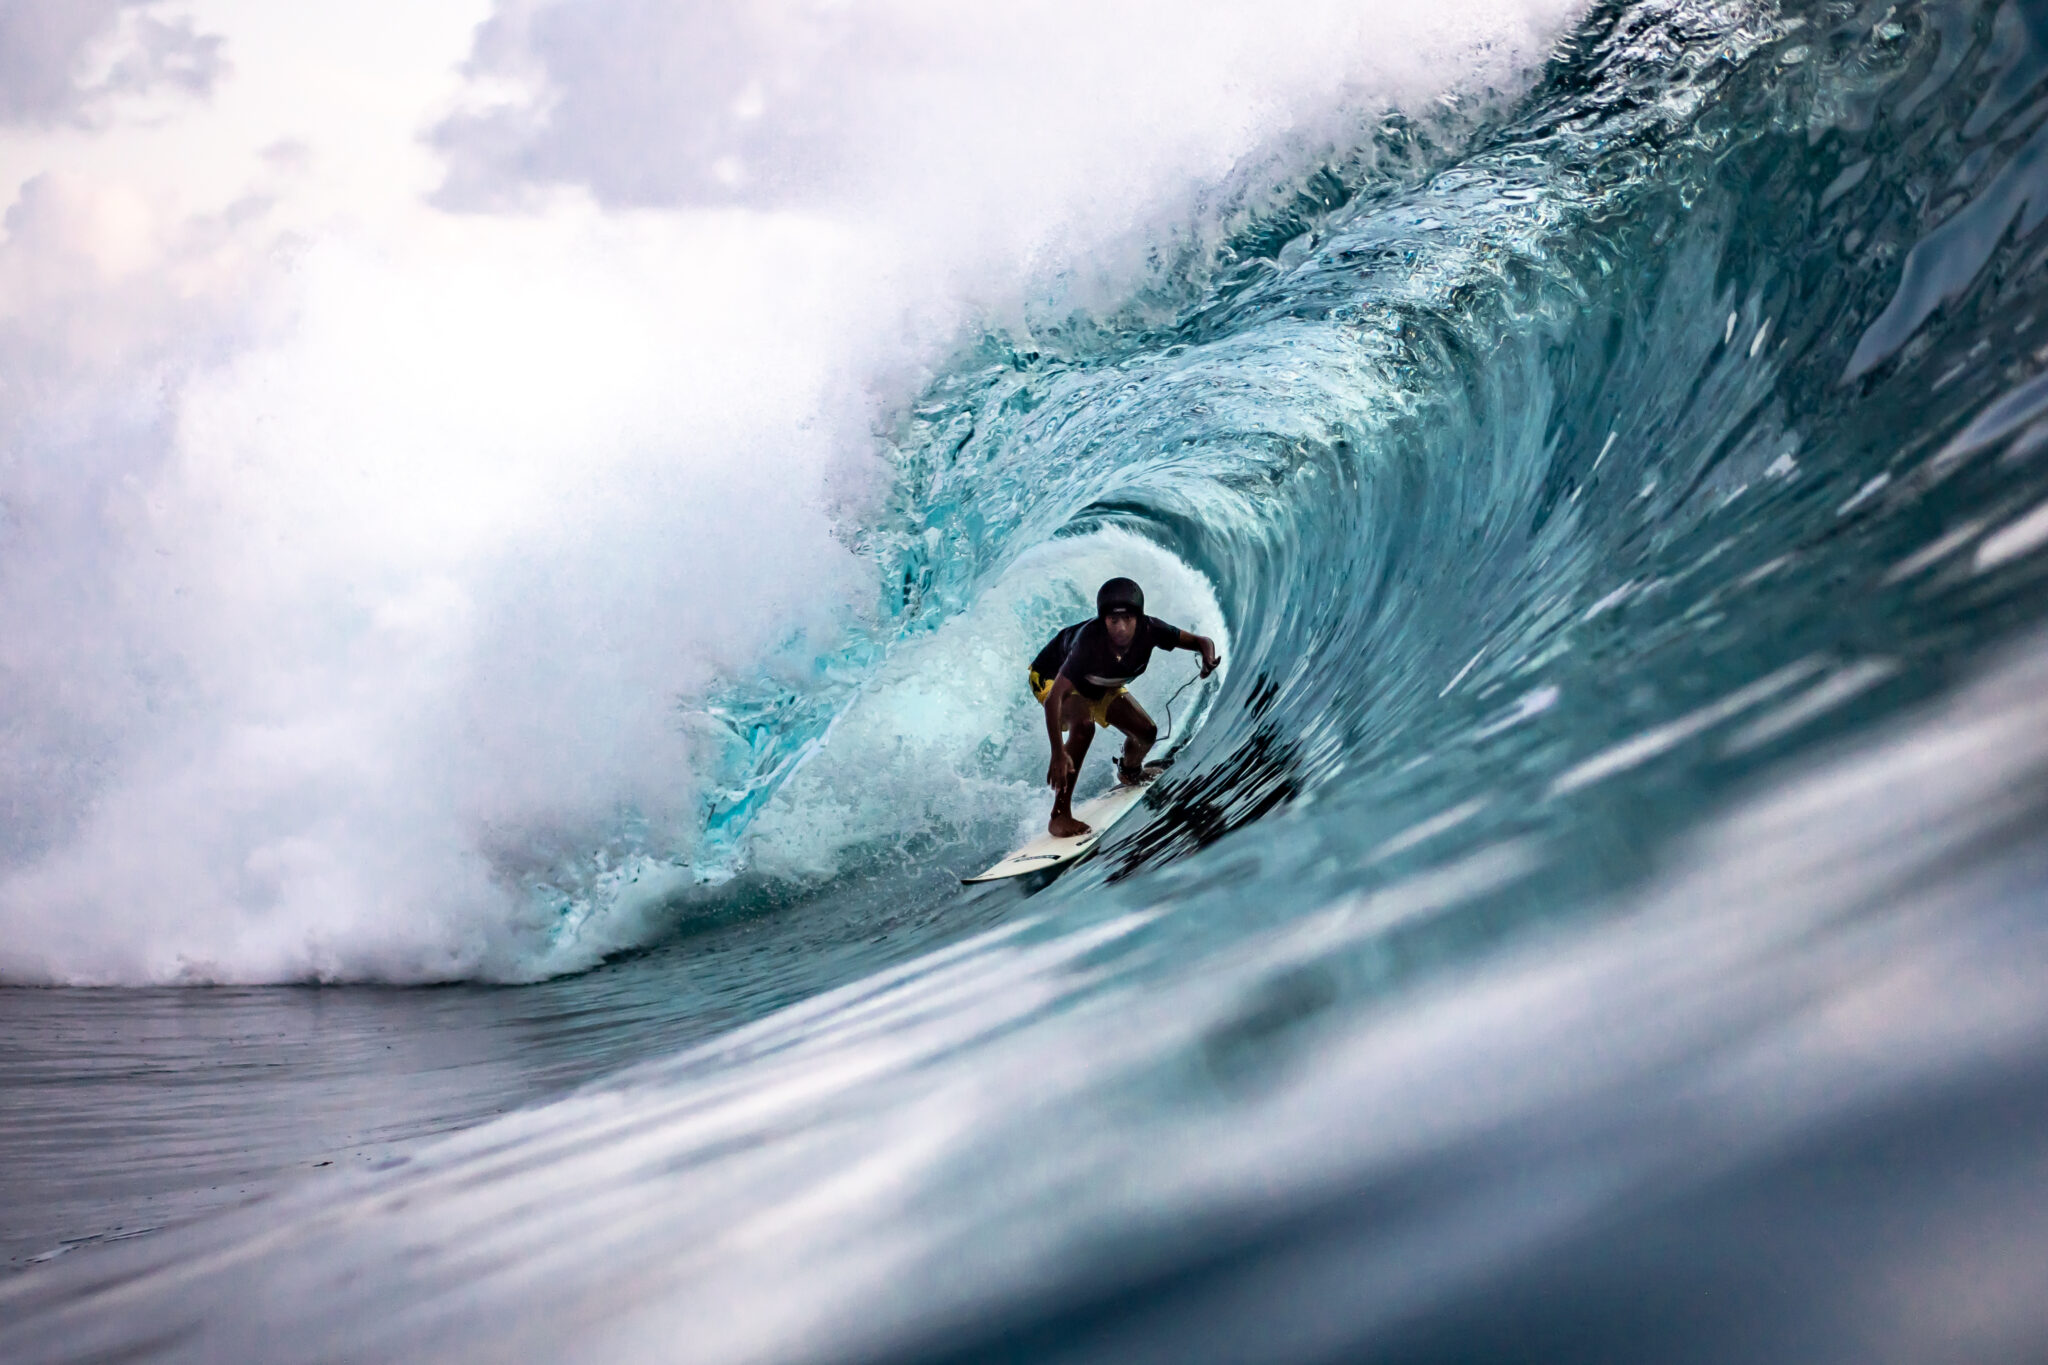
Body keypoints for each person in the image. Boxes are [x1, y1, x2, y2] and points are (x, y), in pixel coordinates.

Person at [1029, 577, 1220, 838]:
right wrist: (1058, 753)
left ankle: (1129, 772)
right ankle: (1059, 815)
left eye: (1127, 619)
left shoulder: (1152, 629)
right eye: (1113, 620)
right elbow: (1054, 699)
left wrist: (1208, 657)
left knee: (1146, 732)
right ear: (1103, 620)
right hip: (1050, 677)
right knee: (1083, 726)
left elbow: (1200, 641)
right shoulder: (1088, 643)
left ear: (1138, 618)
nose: (1121, 628)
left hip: (1098, 682)